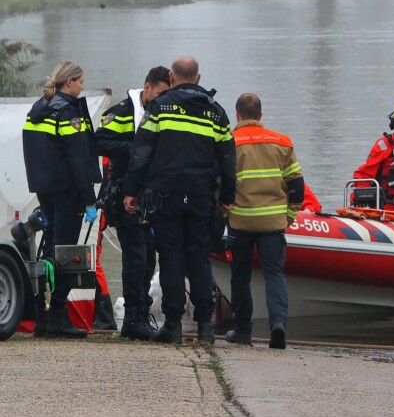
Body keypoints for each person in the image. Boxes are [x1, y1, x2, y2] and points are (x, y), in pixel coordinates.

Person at [121, 56, 235, 344]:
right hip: (201, 198)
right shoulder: (217, 113)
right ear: (198, 78)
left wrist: (131, 191)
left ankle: (172, 325)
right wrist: (227, 197)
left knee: (170, 257)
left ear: (171, 78)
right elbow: (228, 159)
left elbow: (141, 153)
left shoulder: (160, 108)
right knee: (199, 257)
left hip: (165, 198)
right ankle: (205, 327)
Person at [21, 60, 98, 339]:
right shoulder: (67, 112)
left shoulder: (38, 109)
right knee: (64, 254)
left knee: (49, 252)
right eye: (81, 82)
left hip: (45, 190)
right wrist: (89, 200)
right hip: (67, 192)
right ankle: (57, 317)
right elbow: (77, 159)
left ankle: (42, 317)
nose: (82, 87)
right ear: (69, 82)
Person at [96, 65, 172, 340]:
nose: (162, 100)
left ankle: (140, 313)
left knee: (149, 257)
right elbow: (99, 142)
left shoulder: (162, 111)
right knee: (136, 258)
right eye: (160, 94)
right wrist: (135, 149)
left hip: (150, 197)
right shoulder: (123, 112)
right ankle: (132, 319)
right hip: (123, 194)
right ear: (147, 87)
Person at [225, 93, 304, 350]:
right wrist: (288, 216)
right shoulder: (282, 142)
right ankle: (278, 324)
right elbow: (297, 186)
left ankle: (242, 330)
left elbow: (221, 183)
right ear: (260, 116)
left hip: (240, 222)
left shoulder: (229, 142)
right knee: (274, 274)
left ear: (237, 115)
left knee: (240, 275)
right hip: (273, 223)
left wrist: (224, 215)